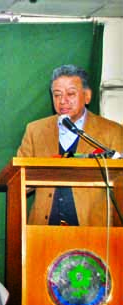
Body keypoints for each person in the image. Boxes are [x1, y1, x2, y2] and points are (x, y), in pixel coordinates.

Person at [18, 64, 123, 227]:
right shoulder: (35, 130)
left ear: (87, 96)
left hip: (94, 230)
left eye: (71, 94)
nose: (63, 101)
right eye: (57, 94)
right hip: (42, 231)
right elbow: (18, 180)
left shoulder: (112, 132)